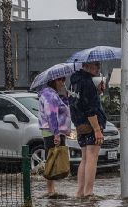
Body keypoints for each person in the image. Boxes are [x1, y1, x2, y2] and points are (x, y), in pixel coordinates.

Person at [69, 61, 107, 198]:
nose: (98, 68)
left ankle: (80, 192)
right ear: (87, 66)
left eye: (99, 65)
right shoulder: (87, 82)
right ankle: (88, 192)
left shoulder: (74, 82)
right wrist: (97, 129)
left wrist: (97, 92)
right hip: (91, 124)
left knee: (84, 158)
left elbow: (78, 102)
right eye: (96, 65)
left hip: (80, 125)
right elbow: (90, 108)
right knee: (92, 158)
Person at [38, 77, 71, 197]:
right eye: (60, 80)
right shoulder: (50, 95)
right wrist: (56, 133)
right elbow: (51, 115)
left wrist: (66, 98)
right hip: (52, 132)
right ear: (53, 81)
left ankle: (51, 189)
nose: (63, 83)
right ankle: (50, 190)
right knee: (52, 158)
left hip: (53, 131)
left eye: (63, 80)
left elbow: (61, 111)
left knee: (52, 157)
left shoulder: (53, 94)